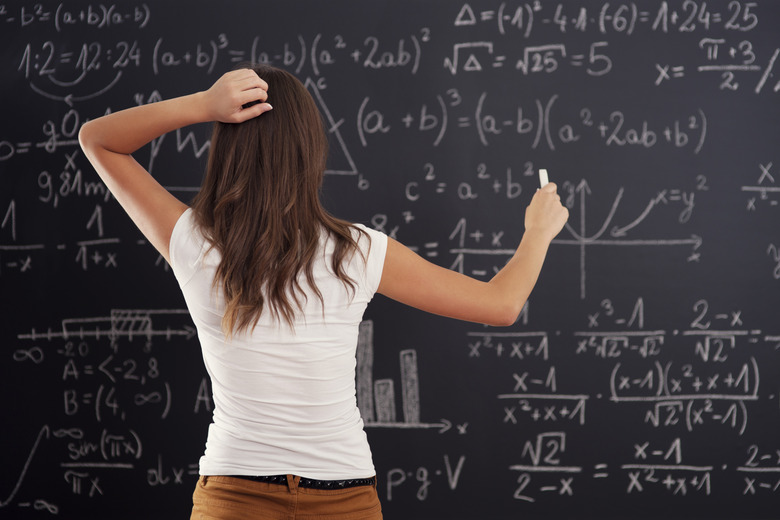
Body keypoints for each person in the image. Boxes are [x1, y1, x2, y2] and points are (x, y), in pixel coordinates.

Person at [78, 64, 569, 519]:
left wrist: (204, 105)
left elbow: (97, 140)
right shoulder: (356, 250)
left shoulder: (195, 243)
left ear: (226, 148)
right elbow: (501, 305)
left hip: (232, 495)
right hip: (344, 497)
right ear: (311, 149)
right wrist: (537, 233)